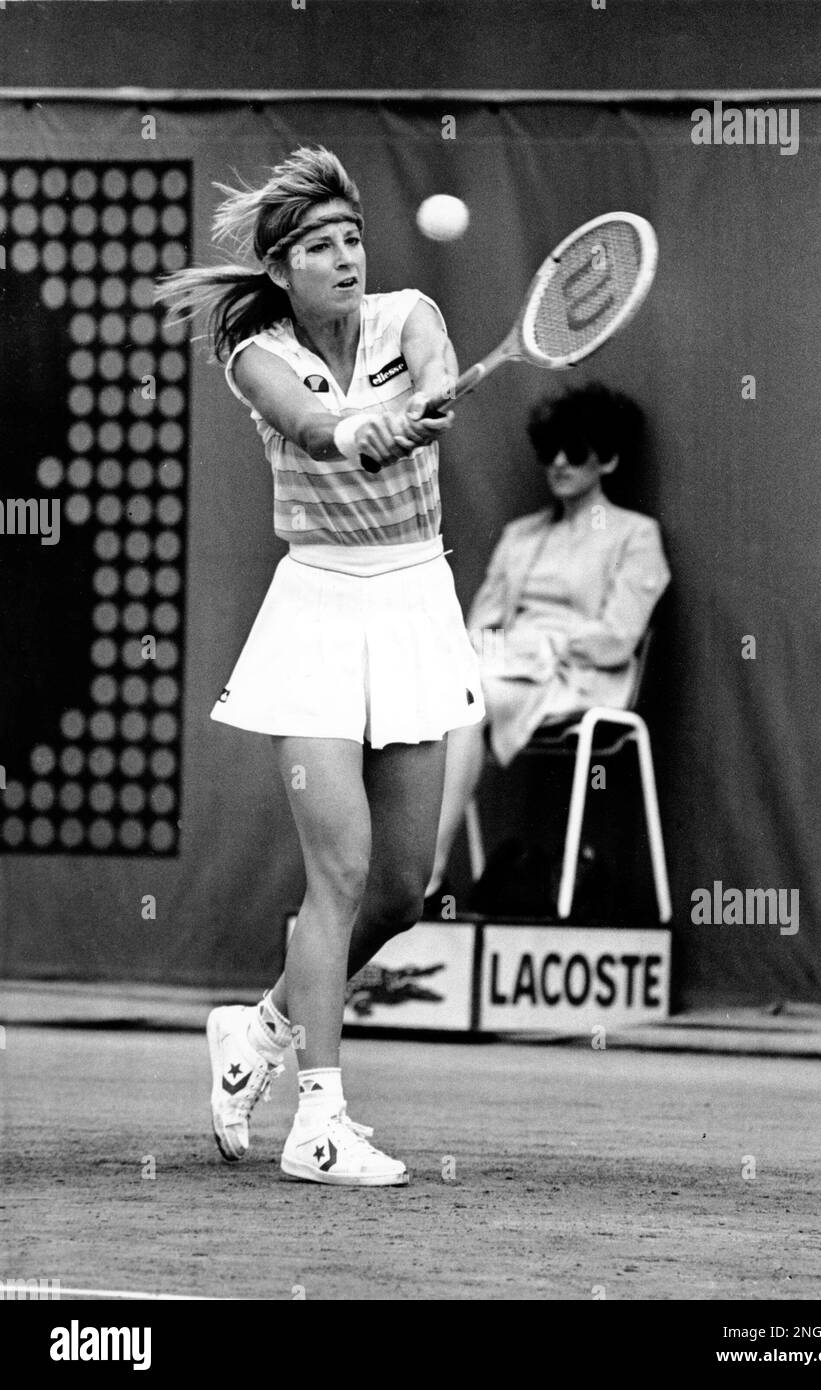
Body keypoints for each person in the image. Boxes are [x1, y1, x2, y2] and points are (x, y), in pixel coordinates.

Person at [155, 146, 484, 1187]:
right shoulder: (254, 347)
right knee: (335, 872)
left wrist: (418, 409)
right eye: (317, 246)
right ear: (281, 270)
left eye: (351, 239)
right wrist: (361, 431)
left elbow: (434, 381)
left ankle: (253, 1030)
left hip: (414, 600)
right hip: (317, 612)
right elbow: (306, 421)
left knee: (398, 890)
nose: (343, 258)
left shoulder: (411, 314)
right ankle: (319, 1123)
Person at [423, 383, 670, 910]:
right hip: (505, 672)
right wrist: (497, 652)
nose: (558, 463)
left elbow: (617, 640)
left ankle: (427, 878)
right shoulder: (521, 536)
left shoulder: (635, 535)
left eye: (575, 452)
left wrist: (539, 647)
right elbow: (480, 629)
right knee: (438, 696)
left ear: (607, 460)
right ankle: (395, 877)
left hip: (581, 681)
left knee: (469, 702)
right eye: (549, 451)